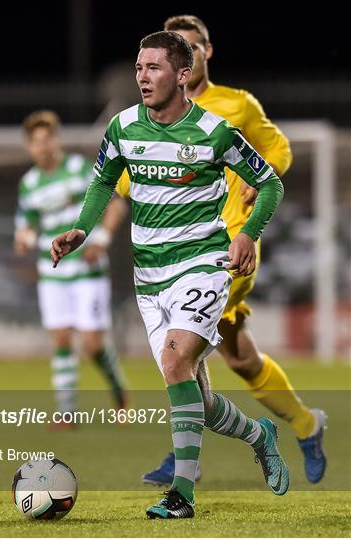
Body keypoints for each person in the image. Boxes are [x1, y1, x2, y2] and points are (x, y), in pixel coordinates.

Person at [52, 31, 288, 519]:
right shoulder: (122, 128)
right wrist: (81, 228)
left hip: (202, 265)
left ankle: (181, 495)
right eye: (139, 67)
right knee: (194, 399)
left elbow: (269, 183)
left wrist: (247, 234)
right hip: (150, 277)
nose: (142, 76)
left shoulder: (215, 132)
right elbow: (101, 181)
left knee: (176, 361)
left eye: (154, 67)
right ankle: (258, 434)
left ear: (183, 75)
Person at [127, 15, 326, 487]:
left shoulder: (235, 107)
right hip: (176, 252)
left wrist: (260, 185)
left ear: (205, 53)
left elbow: (278, 149)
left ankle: (182, 464)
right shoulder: (152, 119)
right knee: (239, 358)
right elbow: (128, 174)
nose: (184, 57)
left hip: (228, 250)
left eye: (191, 48)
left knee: (181, 355)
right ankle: (304, 424)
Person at [14, 110, 127, 424]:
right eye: (36, 141)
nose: (43, 146)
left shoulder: (78, 168)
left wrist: (101, 239)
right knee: (61, 339)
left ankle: (119, 391)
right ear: (29, 147)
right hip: (52, 272)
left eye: (48, 138)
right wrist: (23, 239)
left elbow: (115, 202)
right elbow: (25, 229)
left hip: (87, 269)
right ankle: (66, 413)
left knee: (92, 345)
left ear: (56, 139)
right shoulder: (29, 185)